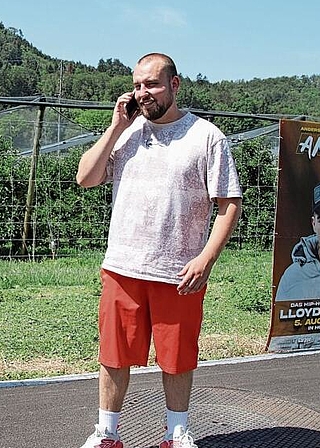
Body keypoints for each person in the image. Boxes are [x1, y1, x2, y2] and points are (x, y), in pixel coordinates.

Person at [76, 53, 242, 448]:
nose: (142, 93)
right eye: (136, 85)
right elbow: (86, 177)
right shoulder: (128, 133)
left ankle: (176, 432)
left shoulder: (206, 137)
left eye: (151, 84)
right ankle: (107, 433)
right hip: (123, 265)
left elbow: (229, 204)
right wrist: (116, 126)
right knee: (114, 356)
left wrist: (205, 258)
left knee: (177, 358)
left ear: (174, 85)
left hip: (178, 271)